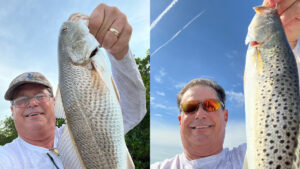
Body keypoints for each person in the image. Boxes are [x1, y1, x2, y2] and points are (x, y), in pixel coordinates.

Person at [151, 0, 300, 168]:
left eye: (210, 105)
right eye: (190, 107)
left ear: (226, 116)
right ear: (180, 120)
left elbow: (284, 92)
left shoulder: (245, 156)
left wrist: (289, 45)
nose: (200, 114)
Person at [0, 3, 146, 169]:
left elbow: (133, 111)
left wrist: (120, 52)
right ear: (12, 111)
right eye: (22, 99)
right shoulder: (6, 158)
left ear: (54, 102)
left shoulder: (76, 130)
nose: (32, 103)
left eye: (40, 96)